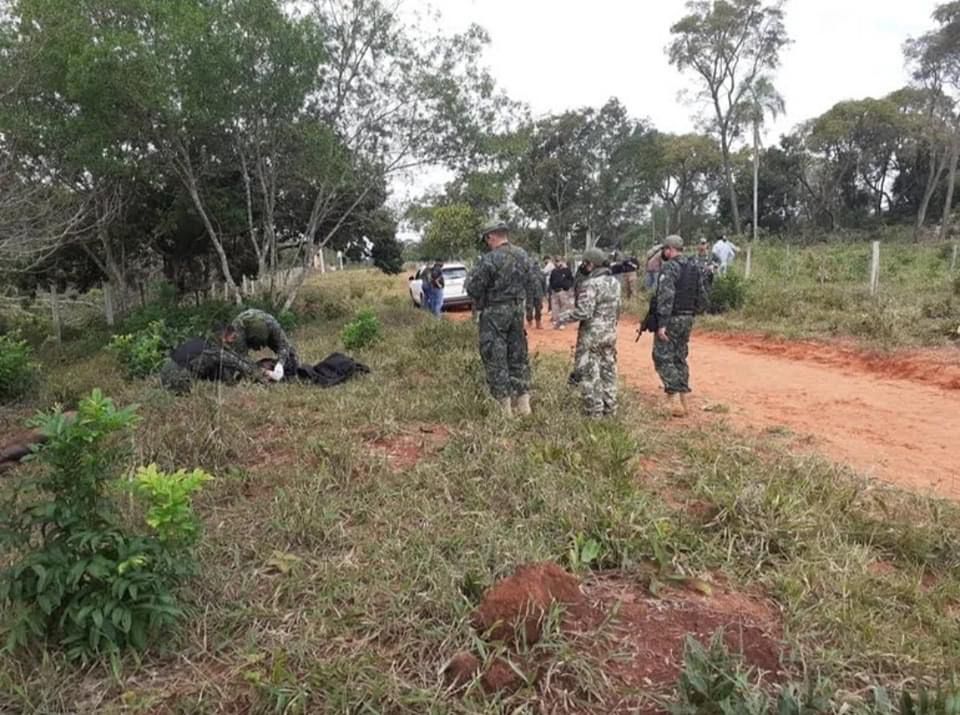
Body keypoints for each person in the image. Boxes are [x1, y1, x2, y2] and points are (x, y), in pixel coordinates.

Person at [465, 221, 540, 417]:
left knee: (495, 357)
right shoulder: (523, 255)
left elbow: (473, 289)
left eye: (486, 240)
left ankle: (504, 412)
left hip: (494, 314)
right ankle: (524, 407)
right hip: (517, 311)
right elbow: (535, 283)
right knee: (518, 356)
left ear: (491, 237)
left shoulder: (489, 260)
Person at [555, 248, 621, 418]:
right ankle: (611, 409)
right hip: (609, 333)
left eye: (585, 263)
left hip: (592, 335)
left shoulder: (590, 284)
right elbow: (618, 309)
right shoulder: (615, 283)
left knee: (589, 373)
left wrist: (563, 317)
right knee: (608, 371)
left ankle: (594, 412)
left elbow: (585, 312)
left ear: (591, 264)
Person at [651, 235, 707, 417]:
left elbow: (666, 297)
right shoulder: (694, 266)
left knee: (663, 356)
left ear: (669, 249)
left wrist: (662, 324)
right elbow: (702, 293)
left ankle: (673, 398)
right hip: (688, 317)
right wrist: (692, 314)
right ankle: (683, 399)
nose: (663, 253)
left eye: (664, 250)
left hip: (672, 318)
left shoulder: (670, 267)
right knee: (680, 356)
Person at [159, 327, 269, 394]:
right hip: (177, 379)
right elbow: (237, 363)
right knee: (221, 363)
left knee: (215, 364)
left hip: (164, 374)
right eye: (233, 338)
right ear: (224, 336)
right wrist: (263, 379)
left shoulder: (201, 341)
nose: (233, 342)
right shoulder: (213, 349)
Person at [229, 308, 299, 375]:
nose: (260, 348)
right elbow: (241, 358)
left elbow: (284, 345)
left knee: (291, 355)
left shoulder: (272, 325)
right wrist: (259, 371)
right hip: (243, 333)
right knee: (233, 362)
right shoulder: (237, 329)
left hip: (268, 330)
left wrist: (280, 364)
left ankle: (292, 373)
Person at [548, 258, 575, 329]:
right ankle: (556, 322)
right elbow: (551, 281)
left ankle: (562, 322)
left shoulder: (567, 271)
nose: (558, 263)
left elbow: (571, 280)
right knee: (555, 308)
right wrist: (552, 289)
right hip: (555, 291)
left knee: (564, 307)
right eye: (556, 262)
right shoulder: (554, 271)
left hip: (563, 291)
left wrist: (568, 287)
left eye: (559, 261)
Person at [525, 260, 545, 329]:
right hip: (530, 294)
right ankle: (530, 321)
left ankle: (538, 322)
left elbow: (544, 284)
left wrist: (544, 294)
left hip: (538, 294)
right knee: (529, 308)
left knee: (538, 309)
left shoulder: (542, 273)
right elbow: (525, 283)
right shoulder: (528, 274)